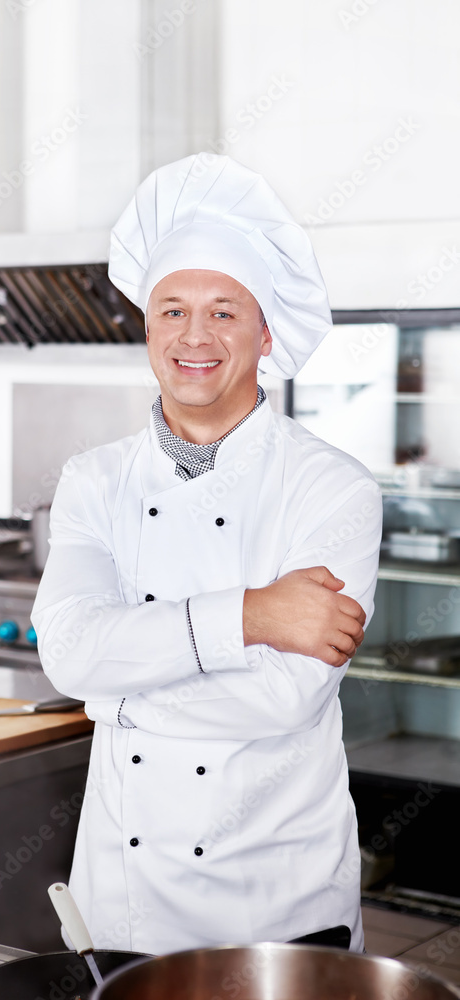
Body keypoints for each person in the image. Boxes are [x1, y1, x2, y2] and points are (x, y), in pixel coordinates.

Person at [31, 153, 382, 956]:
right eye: (172, 310)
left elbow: (281, 699)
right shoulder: (93, 480)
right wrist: (252, 615)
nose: (195, 336)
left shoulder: (331, 489)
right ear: (147, 327)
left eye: (224, 312)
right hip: (122, 900)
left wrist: (114, 697)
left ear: (266, 333)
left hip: (276, 901)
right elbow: (70, 655)